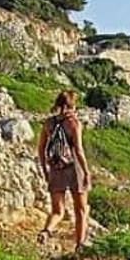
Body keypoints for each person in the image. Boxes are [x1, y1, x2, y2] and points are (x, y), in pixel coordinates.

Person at [36, 89, 90, 249]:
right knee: (81, 209)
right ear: (71, 105)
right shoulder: (74, 124)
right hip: (74, 169)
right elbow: (79, 150)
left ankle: (46, 231)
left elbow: (41, 148)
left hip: (56, 168)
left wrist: (45, 169)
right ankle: (80, 245)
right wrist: (86, 172)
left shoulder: (48, 123)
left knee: (57, 211)